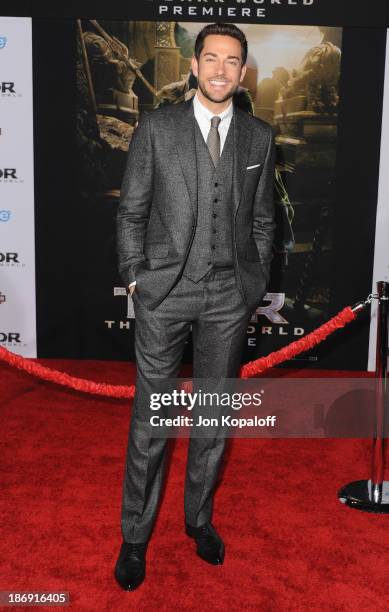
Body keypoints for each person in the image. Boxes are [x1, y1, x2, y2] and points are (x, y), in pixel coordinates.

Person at [115, 22, 275, 591]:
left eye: (232, 61)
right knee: (151, 421)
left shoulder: (259, 136)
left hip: (229, 298)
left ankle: (198, 519)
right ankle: (135, 536)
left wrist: (251, 288)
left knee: (212, 415)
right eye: (210, 58)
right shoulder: (157, 128)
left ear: (242, 70)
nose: (220, 70)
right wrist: (136, 280)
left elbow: (261, 220)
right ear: (194, 66)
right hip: (164, 293)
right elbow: (131, 212)